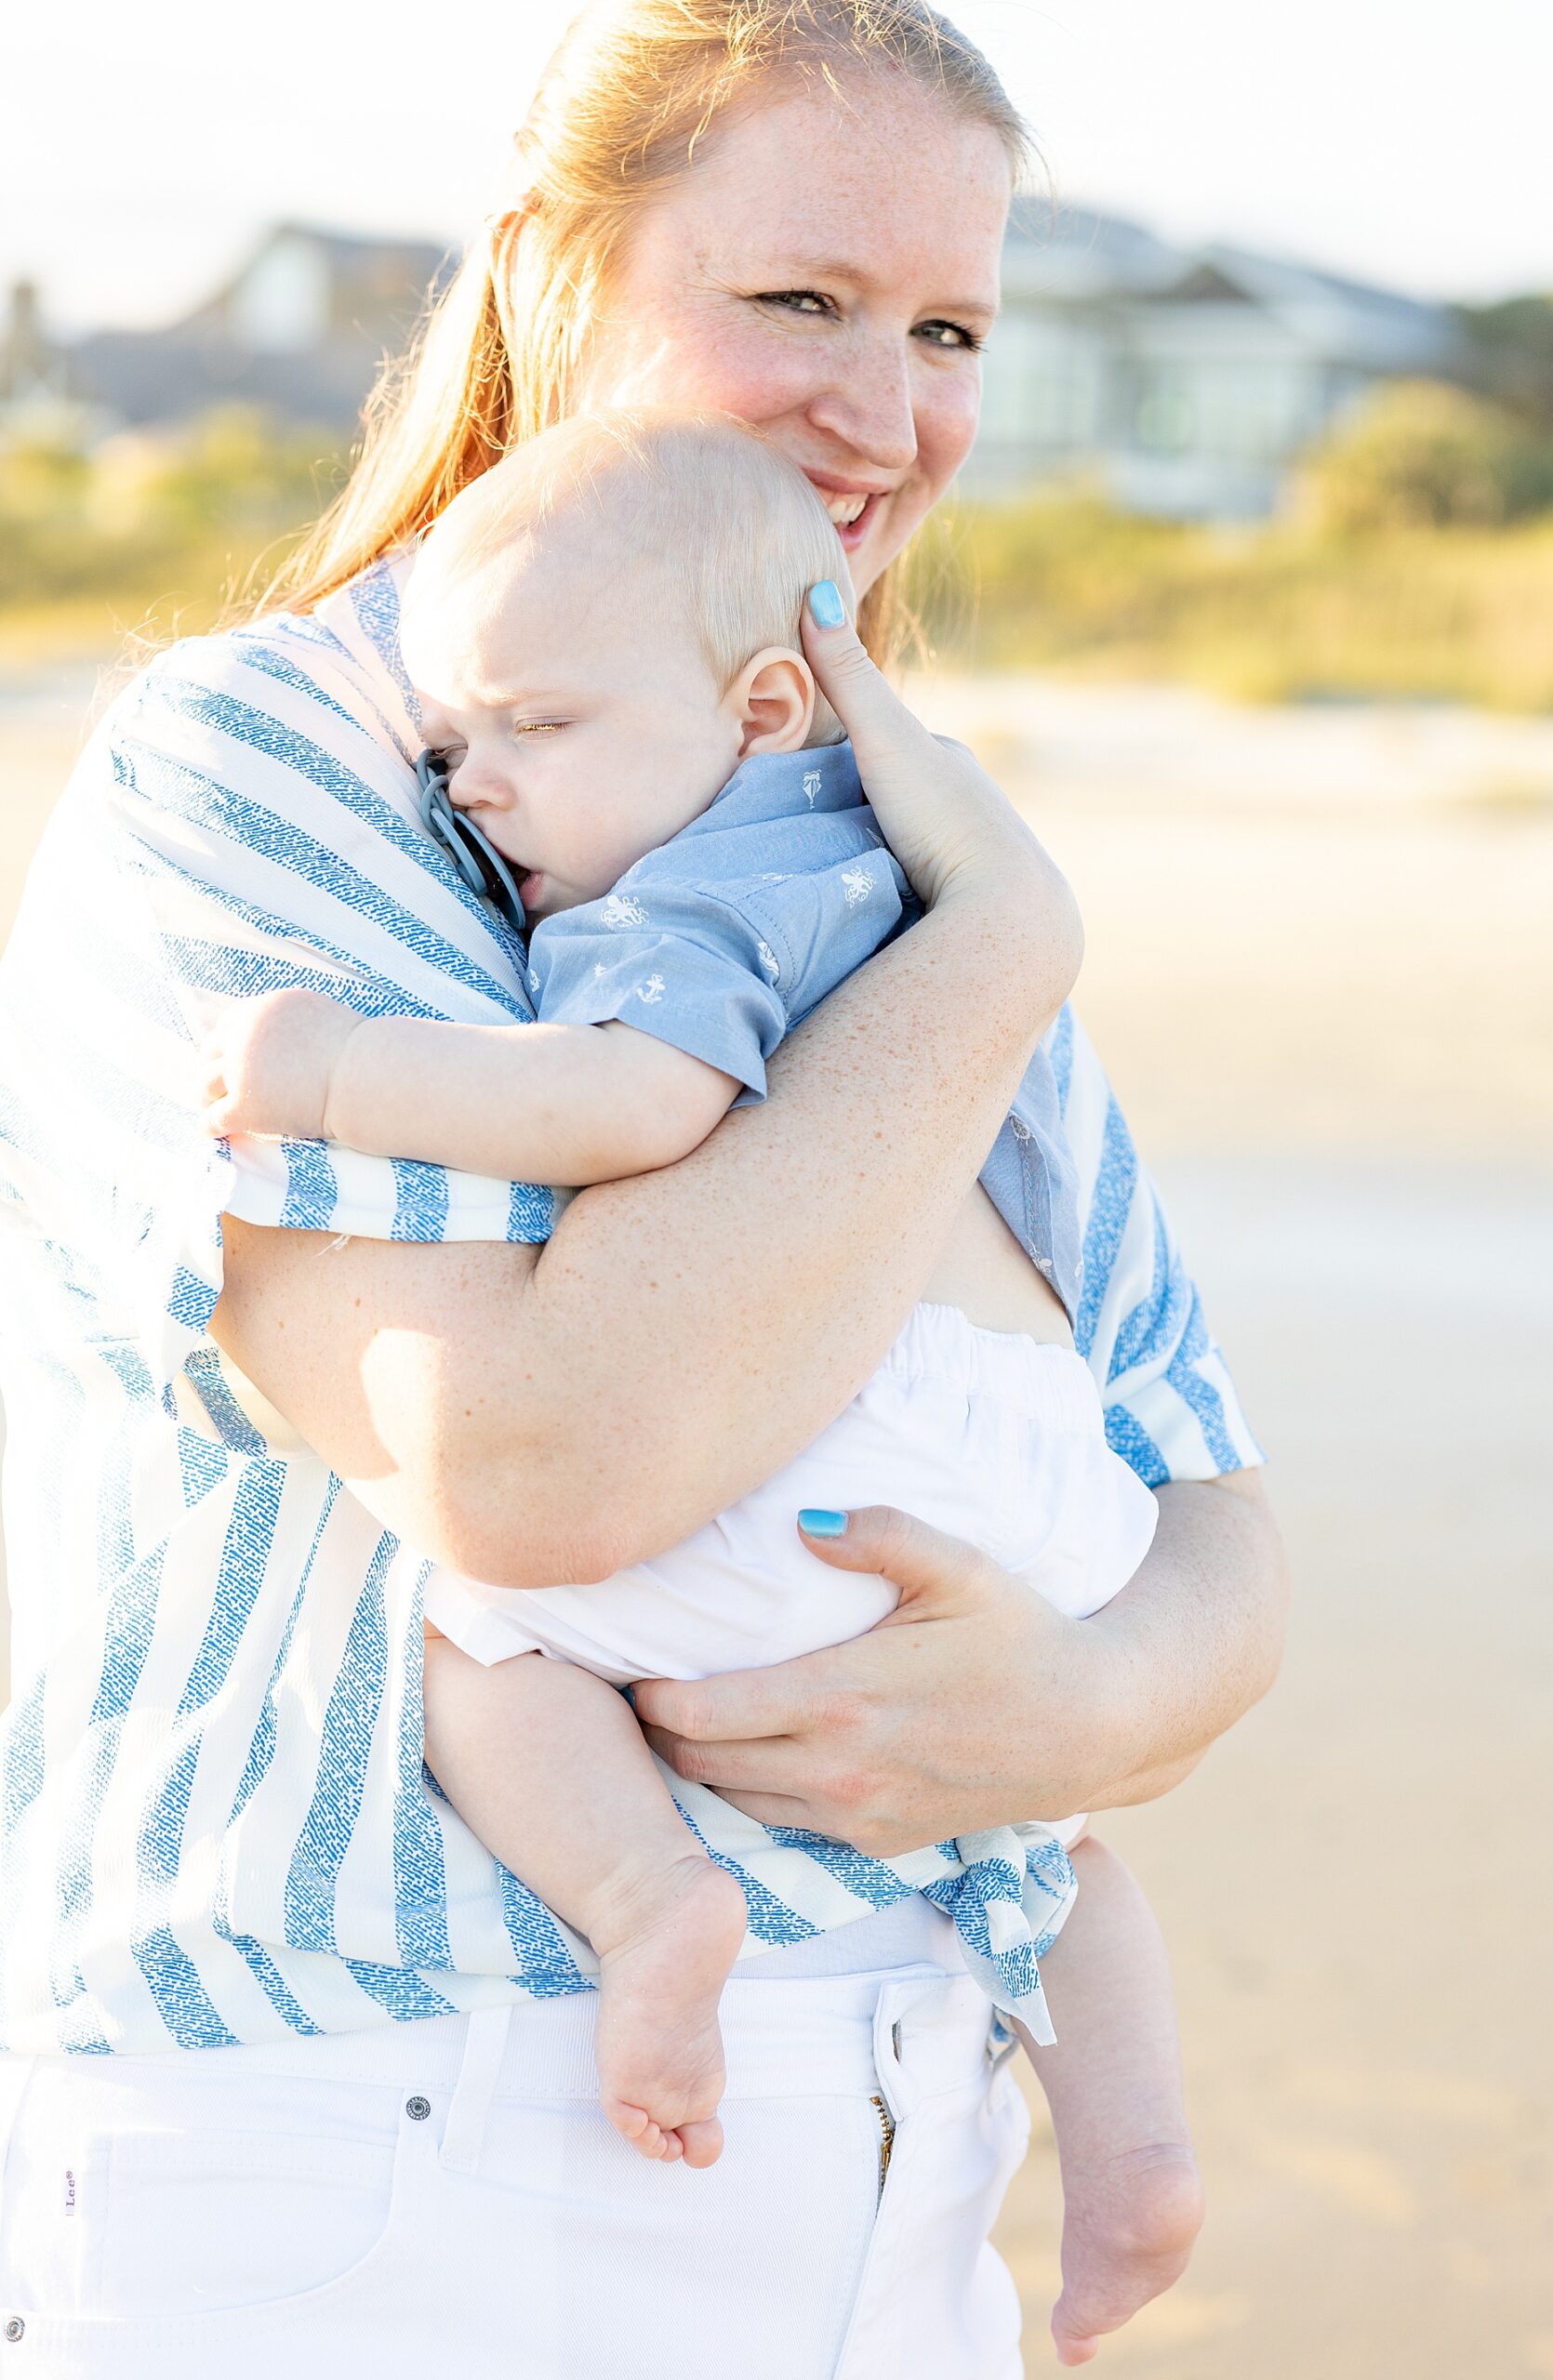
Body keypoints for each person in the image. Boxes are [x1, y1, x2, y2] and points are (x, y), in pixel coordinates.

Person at [0, 5, 1282, 2373]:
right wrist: (990, 954)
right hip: (388, 2127)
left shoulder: (882, 809)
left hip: (897, 2142)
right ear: (547, 275)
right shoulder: (290, 762)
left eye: (948, 329)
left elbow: (1198, 1496)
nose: (885, 412)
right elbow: (535, 1462)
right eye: (795, 298)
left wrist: (1081, 1700)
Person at [202, 409, 1203, 2358]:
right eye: (450, 746)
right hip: (1037, 1468)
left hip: (841, 1446)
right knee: (1044, 1828)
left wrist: (327, 1073)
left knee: (464, 1627)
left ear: (758, 704)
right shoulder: (888, 849)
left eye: (536, 730)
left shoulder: (690, 890)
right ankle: (1140, 2144)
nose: (475, 783)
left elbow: (628, 1101)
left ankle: (648, 1892)